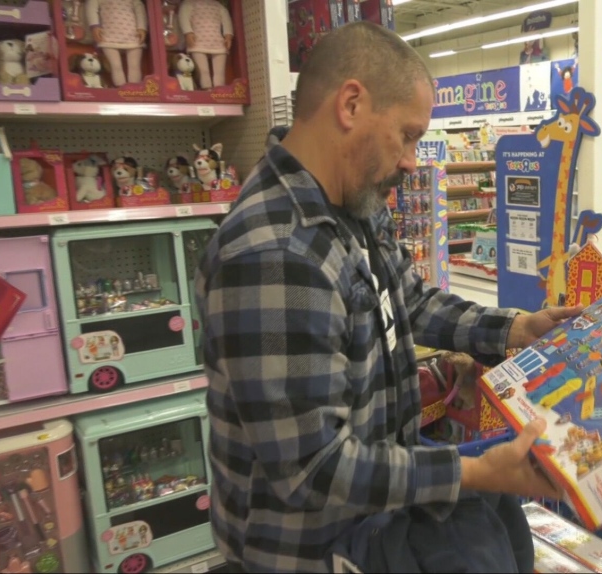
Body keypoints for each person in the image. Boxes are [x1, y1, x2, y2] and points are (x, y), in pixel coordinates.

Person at [196, 22, 579, 574]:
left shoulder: (353, 203)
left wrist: (518, 330)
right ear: (351, 104)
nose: (410, 160)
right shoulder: (277, 254)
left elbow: (411, 301)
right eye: (408, 134)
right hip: (307, 554)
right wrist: (472, 472)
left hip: (371, 530)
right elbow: (313, 470)